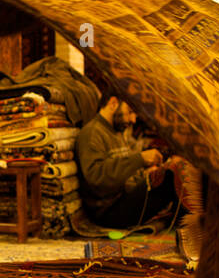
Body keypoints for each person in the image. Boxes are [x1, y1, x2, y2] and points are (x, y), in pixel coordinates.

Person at [76, 95, 177, 228]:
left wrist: (147, 174)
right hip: (109, 212)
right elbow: (96, 178)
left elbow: (125, 174)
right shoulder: (91, 133)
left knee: (171, 170)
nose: (133, 119)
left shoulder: (116, 133)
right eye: (130, 111)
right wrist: (139, 159)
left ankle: (184, 222)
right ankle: (191, 228)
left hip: (124, 198)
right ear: (113, 103)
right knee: (171, 177)